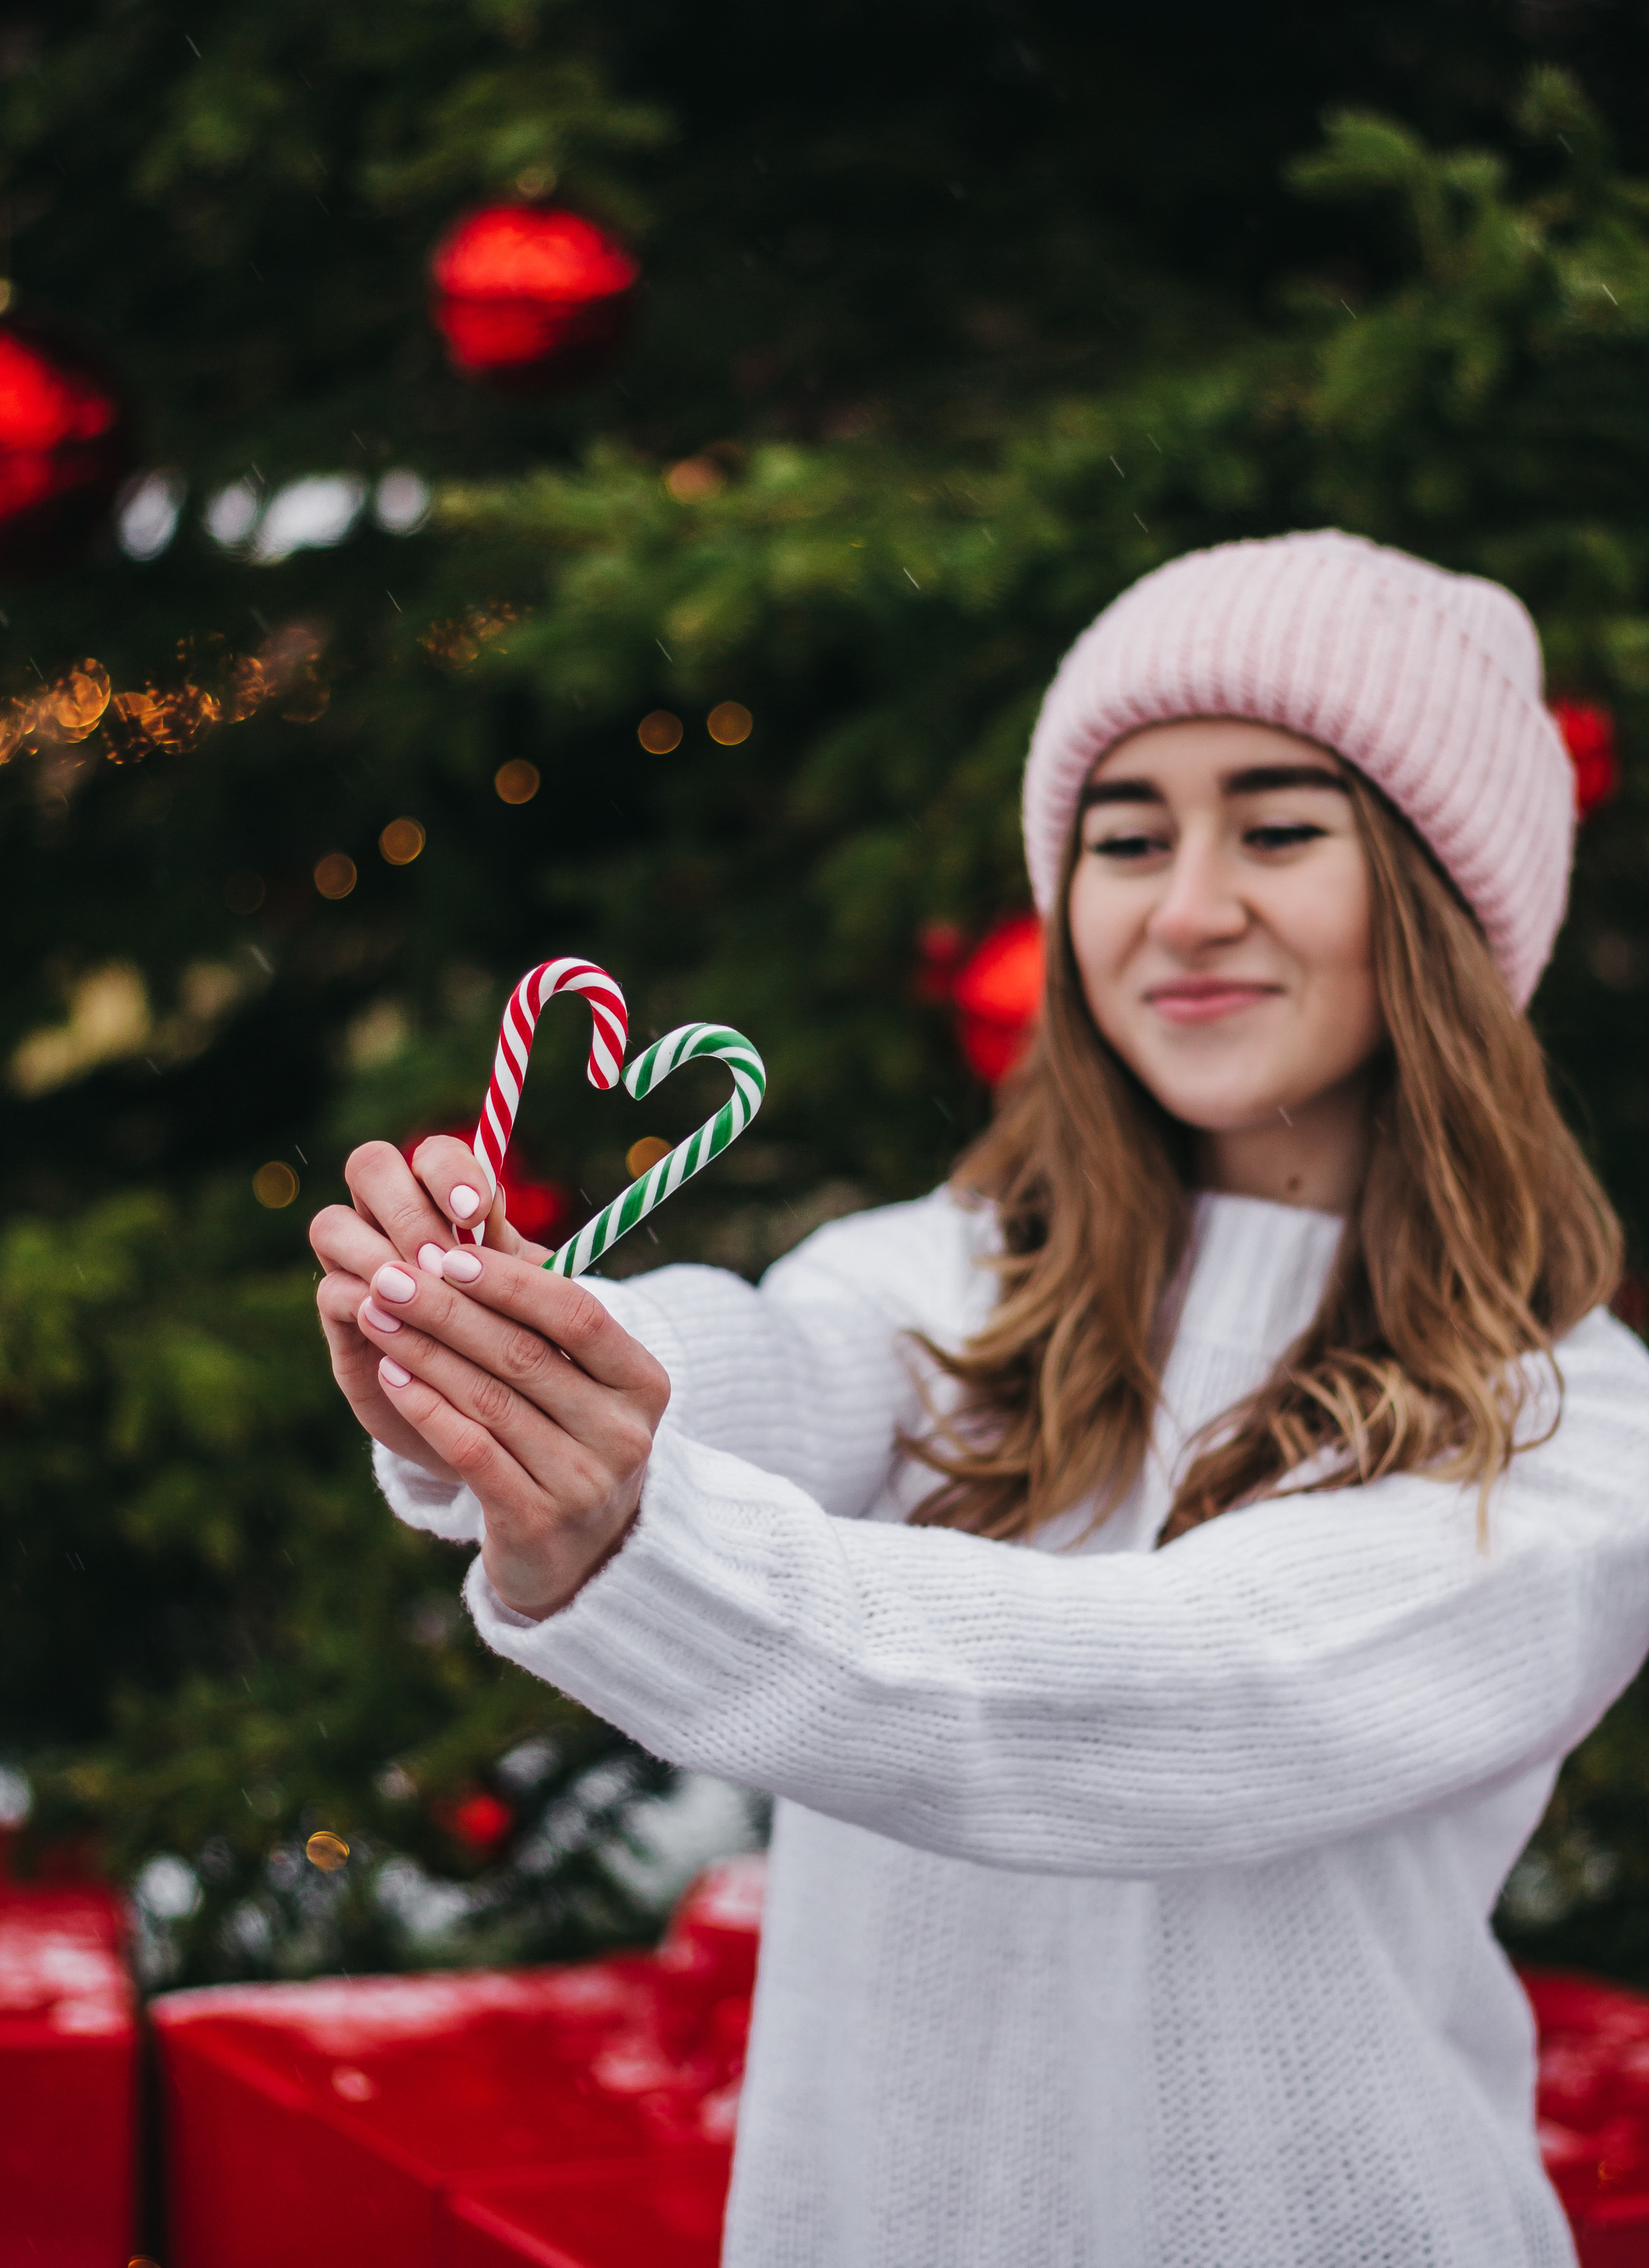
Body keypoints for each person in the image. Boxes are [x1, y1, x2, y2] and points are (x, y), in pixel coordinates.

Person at [313, 528, 1649, 2268]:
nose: (1185, 907)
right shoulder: (942, 1281)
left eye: (1279, 827)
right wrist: (514, 1368)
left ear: (1441, 902)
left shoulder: (1571, 1432)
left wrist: (649, 1532)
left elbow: (1176, 1704)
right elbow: (767, 1373)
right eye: (1124, 838)